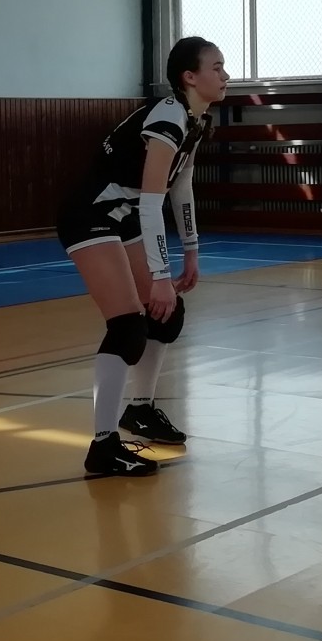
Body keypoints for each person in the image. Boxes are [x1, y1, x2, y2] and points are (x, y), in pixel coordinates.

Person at [57, 37, 224, 477]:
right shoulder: (168, 116)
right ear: (190, 77)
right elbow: (152, 204)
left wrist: (192, 252)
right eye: (217, 67)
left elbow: (181, 187)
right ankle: (103, 446)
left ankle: (141, 411)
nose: (225, 76)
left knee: (167, 316)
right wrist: (161, 275)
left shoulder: (195, 121)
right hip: (92, 213)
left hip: (126, 212)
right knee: (128, 325)